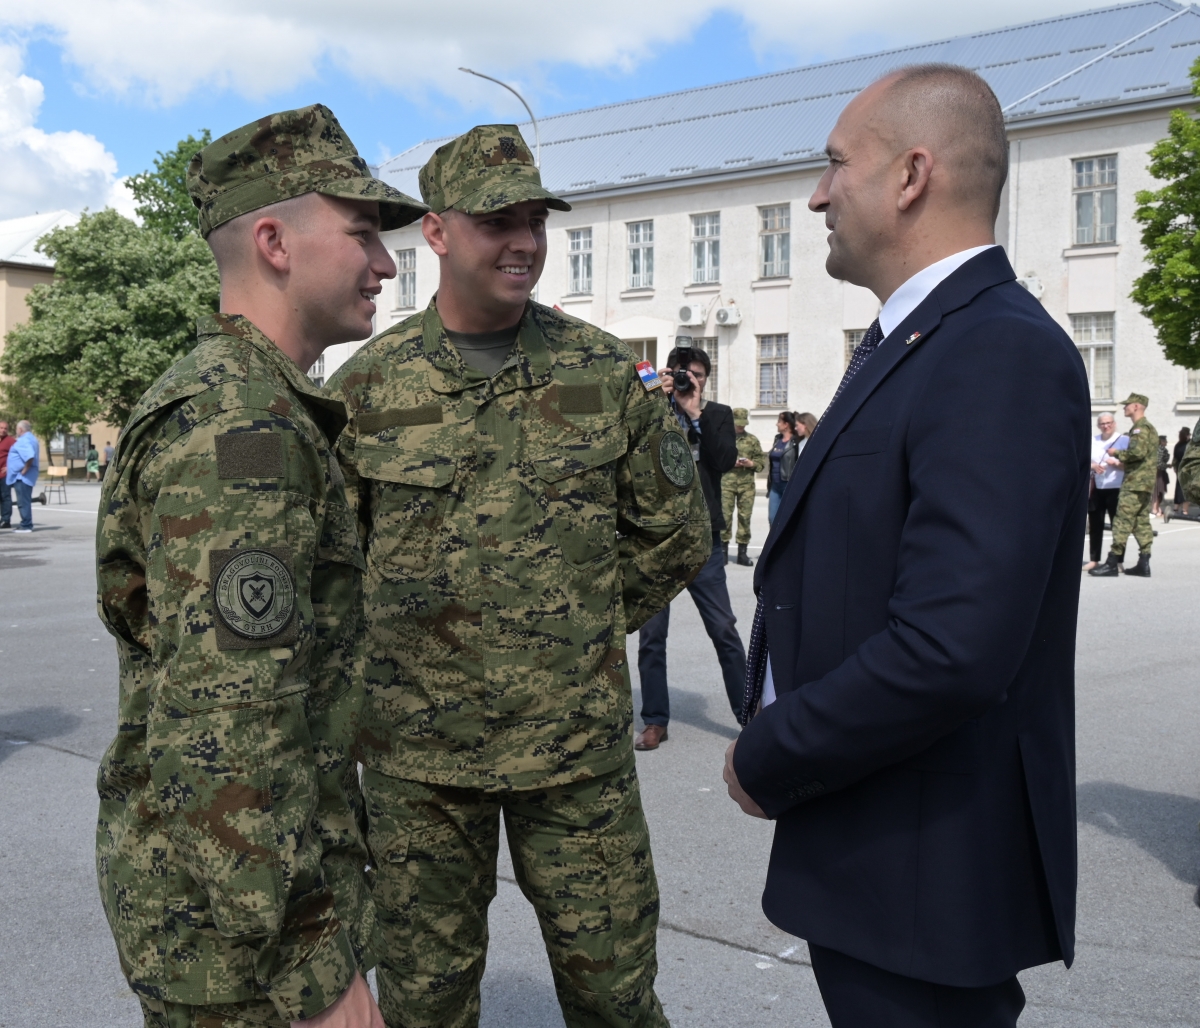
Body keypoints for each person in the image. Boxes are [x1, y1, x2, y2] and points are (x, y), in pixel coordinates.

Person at [722, 64, 1088, 1028]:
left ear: (912, 175)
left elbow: (952, 646)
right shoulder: (921, 340)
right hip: (878, 846)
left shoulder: (994, 349)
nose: (817, 194)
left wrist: (770, 752)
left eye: (836, 164)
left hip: (926, 863)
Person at [326, 124, 708, 1028]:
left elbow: (675, 533)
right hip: (420, 764)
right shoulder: (366, 389)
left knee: (615, 995)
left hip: (574, 754)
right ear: (439, 233)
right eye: (499, 220)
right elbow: (334, 569)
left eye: (536, 218)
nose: (526, 240)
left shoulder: (602, 370)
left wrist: (567, 627)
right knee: (424, 1002)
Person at [95, 104, 426, 1028]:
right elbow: (229, 726)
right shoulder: (244, 431)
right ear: (275, 242)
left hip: (236, 917)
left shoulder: (257, 406)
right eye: (361, 235)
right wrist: (315, 971)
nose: (387, 263)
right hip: (245, 950)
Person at [636, 343, 744, 748]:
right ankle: (655, 720)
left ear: (705, 380)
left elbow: (724, 460)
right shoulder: (652, 408)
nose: (688, 380)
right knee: (652, 636)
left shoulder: (717, 415)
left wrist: (695, 413)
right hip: (657, 540)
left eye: (696, 375)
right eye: (683, 373)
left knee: (724, 630)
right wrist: (655, 401)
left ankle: (750, 717)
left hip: (703, 540)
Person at [1089, 393, 1157, 578]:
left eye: (1128, 405)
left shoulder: (1140, 429)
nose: (1125, 408)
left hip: (1135, 482)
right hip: (1143, 483)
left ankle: (1112, 563)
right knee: (1141, 522)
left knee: (1121, 521)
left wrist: (1116, 453)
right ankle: (1144, 562)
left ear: (1136, 407)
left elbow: (1137, 453)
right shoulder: (1144, 428)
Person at [721, 406, 765, 566]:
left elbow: (761, 463)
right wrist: (729, 462)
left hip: (746, 485)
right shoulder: (723, 438)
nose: (741, 427)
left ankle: (742, 553)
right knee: (725, 517)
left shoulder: (752, 440)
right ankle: (723, 552)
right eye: (738, 423)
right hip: (726, 483)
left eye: (743, 424)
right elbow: (714, 459)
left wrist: (751, 463)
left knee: (745, 518)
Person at [1085, 412, 1125, 570]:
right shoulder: (1093, 441)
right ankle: (1094, 559)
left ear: (1114, 423)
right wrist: (1094, 466)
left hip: (1116, 487)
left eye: (1109, 423)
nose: (1106, 426)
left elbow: (1132, 464)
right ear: (1098, 425)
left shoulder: (1124, 440)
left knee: (1118, 525)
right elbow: (1084, 461)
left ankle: (1118, 560)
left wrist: (1117, 463)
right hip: (1096, 486)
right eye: (1102, 423)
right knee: (1095, 525)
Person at [7, 420, 40, 533]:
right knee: (24, 500)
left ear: (20, 429)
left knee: (23, 501)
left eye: (17, 429)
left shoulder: (24, 440)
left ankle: (26, 525)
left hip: (22, 477)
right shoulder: (31, 439)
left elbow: (30, 456)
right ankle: (25, 523)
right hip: (25, 476)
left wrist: (24, 470)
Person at [766, 412, 798, 524]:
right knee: (772, 518)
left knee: (787, 519)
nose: (776, 424)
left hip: (788, 484)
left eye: (779, 422)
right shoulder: (777, 439)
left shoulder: (795, 441)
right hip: (775, 485)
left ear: (786, 425)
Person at [1171, 425, 1192, 517]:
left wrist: (1175, 468)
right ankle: (1185, 510)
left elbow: (1175, 459)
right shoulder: (1191, 444)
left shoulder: (1178, 445)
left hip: (1180, 468)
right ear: (1188, 435)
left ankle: (1176, 508)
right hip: (1189, 468)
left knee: (1179, 488)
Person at [1152, 435, 1170, 516]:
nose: (1166, 442)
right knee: (1158, 492)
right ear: (1161, 442)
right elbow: (1159, 464)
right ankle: (1155, 509)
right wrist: (1167, 466)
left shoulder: (1154, 449)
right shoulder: (1161, 449)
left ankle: (1156, 508)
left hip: (1155, 472)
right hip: (1159, 473)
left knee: (1157, 492)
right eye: (1165, 441)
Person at [0, 421, 14, 528]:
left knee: (5, 497)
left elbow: (20, 455)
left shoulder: (11, 441)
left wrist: (11, 467)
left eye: (5, 428)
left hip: (4, 475)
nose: (3, 430)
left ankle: (6, 520)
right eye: (1, 428)